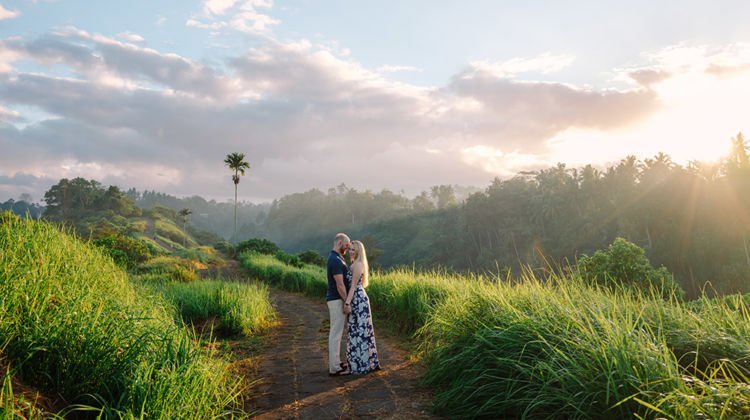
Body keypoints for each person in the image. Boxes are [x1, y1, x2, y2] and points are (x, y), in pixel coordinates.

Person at [343, 240, 380, 374]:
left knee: (360, 331)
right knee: (355, 331)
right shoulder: (354, 263)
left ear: (359, 251)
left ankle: (360, 365)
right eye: (350, 249)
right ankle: (355, 363)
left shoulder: (358, 265)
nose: (351, 251)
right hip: (356, 298)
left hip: (358, 299)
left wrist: (347, 303)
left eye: (354, 249)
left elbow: (353, 286)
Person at [327, 233, 351, 376]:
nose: (347, 249)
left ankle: (336, 362)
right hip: (337, 300)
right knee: (335, 333)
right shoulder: (335, 260)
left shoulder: (337, 258)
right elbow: (340, 285)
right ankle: (334, 367)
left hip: (337, 299)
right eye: (346, 246)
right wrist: (347, 302)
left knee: (336, 332)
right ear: (340, 242)